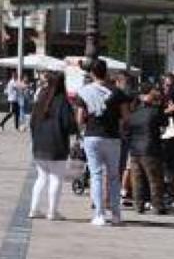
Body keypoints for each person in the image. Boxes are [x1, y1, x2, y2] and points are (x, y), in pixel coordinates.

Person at [77, 59, 131, 227]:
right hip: (113, 137)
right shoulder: (117, 92)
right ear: (106, 72)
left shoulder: (84, 91)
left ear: (92, 73)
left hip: (92, 136)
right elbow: (127, 117)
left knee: (96, 175)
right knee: (114, 176)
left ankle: (99, 214)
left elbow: (79, 119)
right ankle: (116, 215)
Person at [27, 71, 76, 221]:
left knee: (41, 178)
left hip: (39, 144)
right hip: (57, 144)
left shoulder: (41, 97)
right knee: (56, 178)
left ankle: (34, 209)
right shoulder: (62, 101)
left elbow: (32, 122)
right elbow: (69, 124)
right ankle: (52, 211)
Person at [126, 82, 168, 215]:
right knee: (154, 179)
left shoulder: (134, 113)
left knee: (137, 179)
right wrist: (162, 106)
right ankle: (157, 205)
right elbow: (165, 122)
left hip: (135, 150)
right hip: (150, 149)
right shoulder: (155, 112)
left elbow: (127, 132)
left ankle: (138, 205)